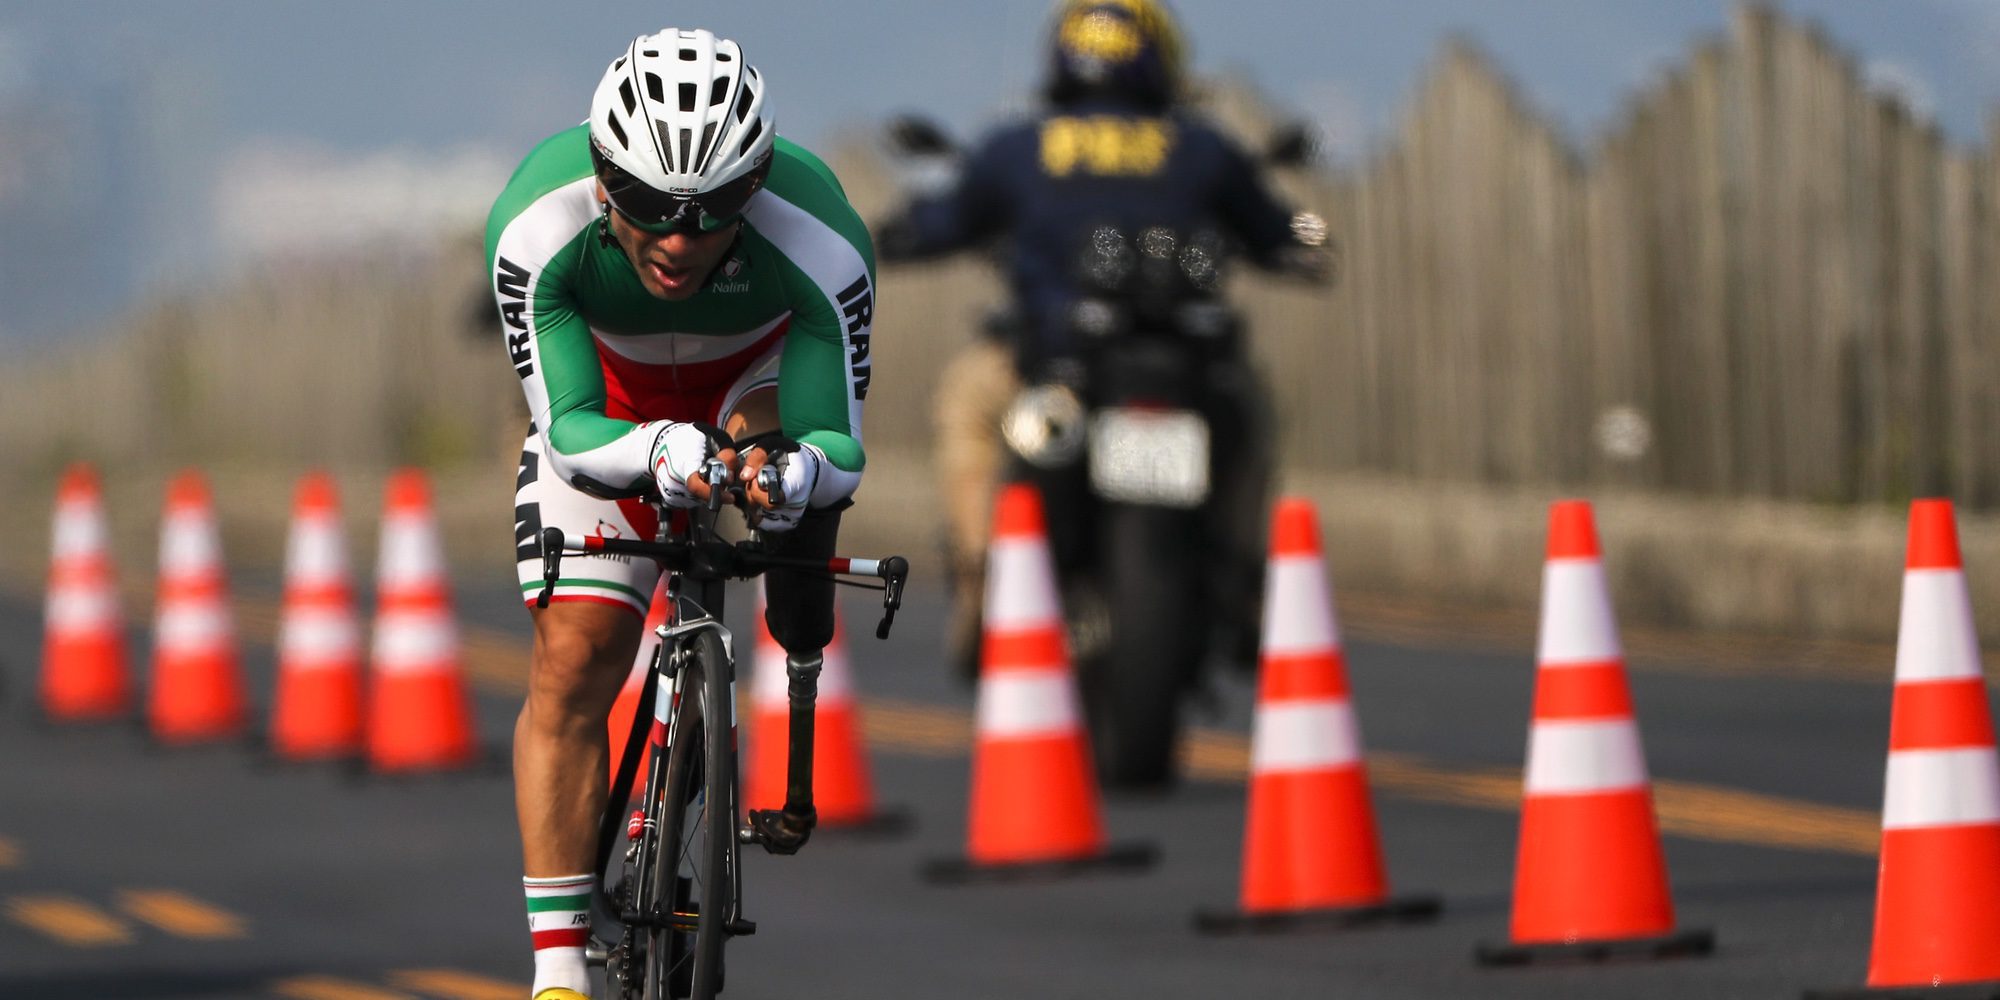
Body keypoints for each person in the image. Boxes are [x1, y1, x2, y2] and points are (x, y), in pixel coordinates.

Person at [486, 27, 874, 1000]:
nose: (674, 239)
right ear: (600, 174)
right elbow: (570, 431)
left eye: (708, 215)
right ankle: (559, 970)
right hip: (606, 410)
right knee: (574, 655)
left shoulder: (820, 240)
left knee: (767, 446)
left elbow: (839, 442)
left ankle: (701, 706)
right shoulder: (536, 227)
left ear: (755, 191)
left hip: (752, 386)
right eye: (647, 206)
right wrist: (658, 449)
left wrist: (793, 478)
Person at [874, 0, 1328, 679]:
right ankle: (1243, 581)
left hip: (1049, 366)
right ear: (1162, 59)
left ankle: (982, 582)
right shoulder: (1202, 147)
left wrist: (892, 233)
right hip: (1190, 367)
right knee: (1254, 417)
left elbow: (939, 221)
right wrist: (1306, 242)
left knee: (968, 405)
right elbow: (1284, 233)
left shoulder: (1019, 146)